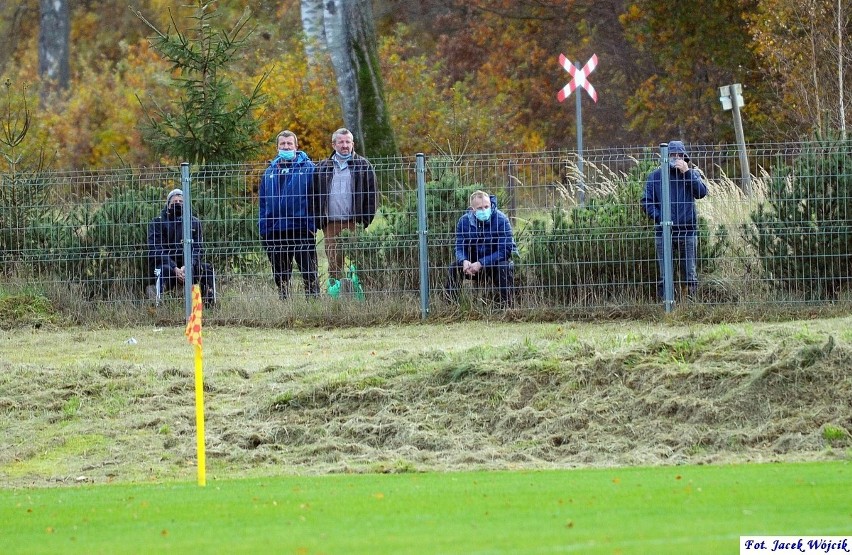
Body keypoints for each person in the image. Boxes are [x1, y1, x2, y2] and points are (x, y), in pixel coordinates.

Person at [640, 140, 708, 299]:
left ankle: (691, 308)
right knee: (666, 276)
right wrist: (662, 219)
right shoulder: (655, 177)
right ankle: (666, 308)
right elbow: (646, 202)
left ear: (685, 157)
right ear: (666, 156)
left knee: (690, 274)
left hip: (687, 231)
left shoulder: (692, 174)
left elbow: (701, 193)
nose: (676, 158)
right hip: (663, 232)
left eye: (679, 155)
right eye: (672, 155)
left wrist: (688, 173)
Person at [259, 130, 319, 300]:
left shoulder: (309, 169)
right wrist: (264, 227)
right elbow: (263, 203)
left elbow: (317, 198)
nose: (286, 147)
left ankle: (314, 303)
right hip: (275, 230)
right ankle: (285, 303)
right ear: (277, 148)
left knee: (309, 270)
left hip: (301, 229)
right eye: (282, 144)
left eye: (289, 144)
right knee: (280, 274)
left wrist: (311, 225)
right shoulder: (269, 172)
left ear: (296, 146)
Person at [311, 127, 378, 278]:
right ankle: (336, 297)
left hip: (355, 223)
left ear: (353, 144)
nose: (345, 145)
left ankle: (361, 296)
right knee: (335, 267)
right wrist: (320, 222)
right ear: (333, 145)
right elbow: (313, 197)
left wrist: (364, 222)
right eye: (341, 142)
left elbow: (372, 197)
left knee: (360, 264)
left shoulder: (363, 166)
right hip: (331, 225)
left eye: (348, 142)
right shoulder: (322, 168)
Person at [446, 190, 517, 307]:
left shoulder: (501, 219)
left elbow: (504, 250)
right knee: (454, 268)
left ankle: (507, 308)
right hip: (471, 266)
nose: (484, 210)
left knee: (504, 266)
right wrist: (463, 260)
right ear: (472, 209)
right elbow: (459, 246)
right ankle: (451, 307)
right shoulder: (463, 221)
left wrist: (482, 263)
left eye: (486, 206)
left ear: (490, 205)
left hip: (494, 265)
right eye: (479, 208)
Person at [147, 188, 216, 307]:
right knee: (165, 270)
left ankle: (206, 306)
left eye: (181, 201)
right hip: (166, 264)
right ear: (168, 205)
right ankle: (161, 307)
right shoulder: (157, 223)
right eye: (174, 202)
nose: (178, 204)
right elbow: (156, 249)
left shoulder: (194, 222)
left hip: (188, 264)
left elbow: (198, 248)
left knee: (206, 269)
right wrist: (174, 268)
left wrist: (188, 266)